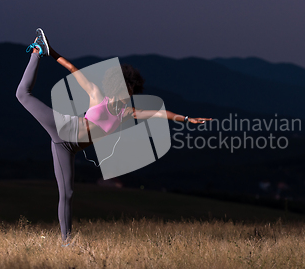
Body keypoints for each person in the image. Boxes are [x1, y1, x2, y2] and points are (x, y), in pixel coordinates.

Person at [16, 28, 211, 245]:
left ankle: (66, 243)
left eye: (131, 92)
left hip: (65, 148)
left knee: (68, 194)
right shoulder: (97, 96)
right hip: (62, 128)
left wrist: (186, 119)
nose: (127, 95)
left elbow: (159, 113)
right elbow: (72, 68)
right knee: (22, 94)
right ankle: (37, 50)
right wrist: (50, 52)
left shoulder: (126, 114)